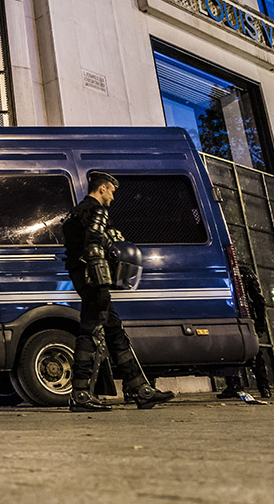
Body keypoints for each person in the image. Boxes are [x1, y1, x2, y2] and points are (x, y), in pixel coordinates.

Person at [63, 171, 175, 412]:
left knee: (115, 333)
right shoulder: (97, 211)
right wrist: (104, 269)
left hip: (84, 279)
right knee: (90, 332)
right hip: (95, 281)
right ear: (102, 189)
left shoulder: (74, 214)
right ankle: (81, 394)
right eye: (112, 191)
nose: (113, 197)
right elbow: (94, 240)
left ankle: (140, 389)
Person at [218, 265, 272, 400]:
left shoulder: (226, 271)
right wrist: (260, 323)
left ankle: (235, 385)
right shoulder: (244, 273)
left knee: (230, 351)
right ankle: (264, 387)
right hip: (245, 316)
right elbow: (259, 300)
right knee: (255, 353)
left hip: (231, 315)